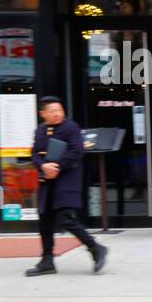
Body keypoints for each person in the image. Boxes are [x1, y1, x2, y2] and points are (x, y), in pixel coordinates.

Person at [25, 97, 107, 277]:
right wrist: (43, 166)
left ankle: (95, 247)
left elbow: (77, 151)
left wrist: (57, 167)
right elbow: (33, 153)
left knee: (66, 218)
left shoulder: (71, 128)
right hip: (47, 183)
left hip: (66, 182)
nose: (57, 114)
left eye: (59, 110)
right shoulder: (40, 130)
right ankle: (47, 261)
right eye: (52, 111)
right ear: (43, 114)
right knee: (45, 222)